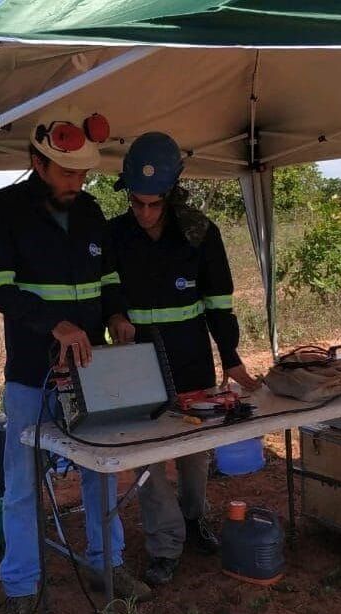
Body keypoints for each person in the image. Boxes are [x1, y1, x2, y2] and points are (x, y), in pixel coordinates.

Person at [0, 105, 151, 614]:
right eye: (68, 173)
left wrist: (117, 314)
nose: (78, 182)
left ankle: (108, 565)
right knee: (24, 485)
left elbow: (111, 278)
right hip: (31, 374)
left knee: (101, 468)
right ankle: (23, 590)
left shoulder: (92, 211)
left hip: (88, 372)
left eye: (83, 173)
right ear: (37, 162)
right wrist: (56, 325)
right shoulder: (2, 209)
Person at [108, 131, 261, 586]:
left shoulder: (200, 233)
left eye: (154, 204)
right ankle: (165, 545)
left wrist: (231, 358)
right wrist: (115, 314)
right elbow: (104, 290)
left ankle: (194, 521)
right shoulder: (114, 236)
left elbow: (218, 303)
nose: (145, 213)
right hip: (139, 366)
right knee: (150, 456)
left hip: (194, 361)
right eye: (137, 203)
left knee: (195, 451)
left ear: (172, 192)